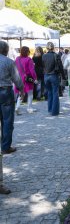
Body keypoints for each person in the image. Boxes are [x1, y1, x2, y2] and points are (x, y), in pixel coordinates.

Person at [0, 41, 24, 194]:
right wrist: (21, 89)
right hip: (5, 91)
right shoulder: (8, 61)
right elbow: (16, 78)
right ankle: (6, 146)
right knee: (7, 120)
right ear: (6, 50)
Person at [42, 41, 65, 116]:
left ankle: (50, 109)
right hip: (54, 75)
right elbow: (60, 66)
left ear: (47, 48)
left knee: (49, 93)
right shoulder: (56, 55)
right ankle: (55, 112)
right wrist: (63, 76)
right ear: (53, 47)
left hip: (46, 76)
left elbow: (43, 66)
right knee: (55, 93)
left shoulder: (44, 56)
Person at [15, 46, 38, 114]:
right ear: (27, 52)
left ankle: (17, 107)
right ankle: (29, 108)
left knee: (21, 93)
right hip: (27, 79)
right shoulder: (29, 59)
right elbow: (32, 70)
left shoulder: (17, 59)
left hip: (19, 78)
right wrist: (35, 78)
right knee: (30, 94)